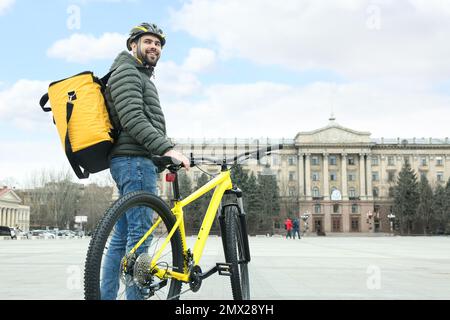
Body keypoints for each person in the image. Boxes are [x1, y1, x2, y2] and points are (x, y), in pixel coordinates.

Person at [100, 22, 190, 300]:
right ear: (133, 44)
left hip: (133, 160)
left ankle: (105, 296)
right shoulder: (127, 70)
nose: (154, 47)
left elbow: (144, 119)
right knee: (141, 237)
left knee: (121, 239)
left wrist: (162, 156)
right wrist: (167, 148)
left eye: (158, 44)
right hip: (134, 162)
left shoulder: (139, 75)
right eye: (148, 41)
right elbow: (133, 119)